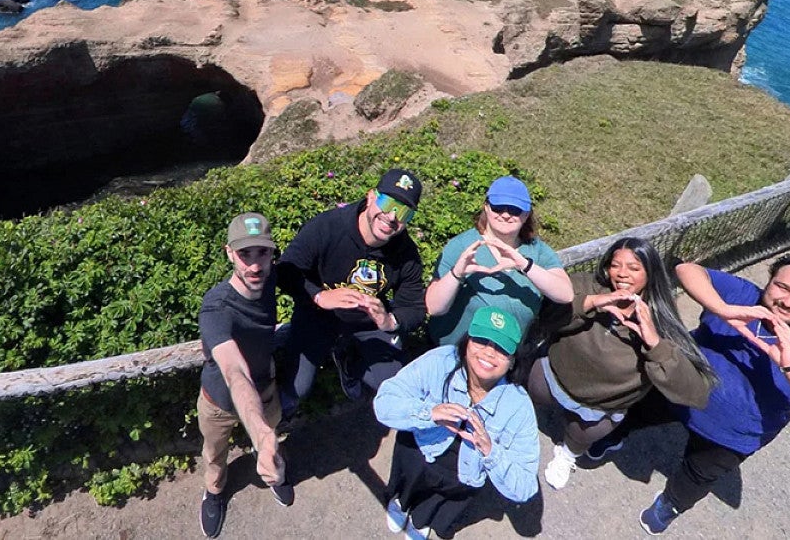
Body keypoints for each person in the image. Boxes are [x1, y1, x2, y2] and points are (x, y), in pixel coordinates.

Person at [598, 252, 790, 535]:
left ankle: (669, 505)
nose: (788, 301)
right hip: (679, 386)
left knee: (694, 479)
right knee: (636, 412)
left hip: (731, 436)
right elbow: (687, 270)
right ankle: (610, 437)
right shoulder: (745, 295)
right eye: (782, 287)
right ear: (769, 281)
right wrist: (724, 309)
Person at [526, 237, 719, 490]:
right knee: (529, 395)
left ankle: (568, 455)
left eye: (634, 268)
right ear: (606, 266)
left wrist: (654, 344)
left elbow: (697, 393)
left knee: (580, 435)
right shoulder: (585, 284)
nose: (622, 274)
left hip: (597, 406)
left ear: (651, 274)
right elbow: (544, 317)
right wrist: (590, 303)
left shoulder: (662, 323)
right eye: (616, 265)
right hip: (553, 375)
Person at [373, 306, 540, 540]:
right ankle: (401, 502)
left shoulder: (519, 406)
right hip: (419, 452)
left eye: (502, 348)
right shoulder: (440, 361)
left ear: (512, 362)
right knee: (406, 486)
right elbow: (384, 402)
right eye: (482, 340)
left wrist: (491, 451)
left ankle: (421, 519)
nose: (489, 353)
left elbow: (525, 487)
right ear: (467, 342)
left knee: (431, 510)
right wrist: (429, 413)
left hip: (462, 477)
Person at [277, 169, 427, 415]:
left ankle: (349, 360)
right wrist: (319, 296)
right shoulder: (327, 227)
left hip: (366, 324)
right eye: (387, 203)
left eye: (403, 212)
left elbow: (414, 308)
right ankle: (272, 423)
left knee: (393, 384)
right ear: (370, 197)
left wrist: (389, 320)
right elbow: (285, 271)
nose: (391, 217)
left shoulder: (406, 254)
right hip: (317, 316)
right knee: (296, 388)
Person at [196, 213, 294, 538]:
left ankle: (268, 460)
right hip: (219, 402)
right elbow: (234, 371)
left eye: (262, 253)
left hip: (266, 390)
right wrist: (261, 433)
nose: (254, 266)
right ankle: (214, 491)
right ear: (228, 253)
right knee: (214, 454)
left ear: (272, 253)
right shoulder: (215, 308)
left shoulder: (268, 281)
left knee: (272, 436)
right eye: (244, 254)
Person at [425, 175, 573, 347]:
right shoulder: (462, 246)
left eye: (514, 210)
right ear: (486, 207)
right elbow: (434, 307)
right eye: (498, 207)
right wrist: (457, 273)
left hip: (505, 356)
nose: (505, 215)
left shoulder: (538, 251)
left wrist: (524, 265)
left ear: (526, 215)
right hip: (455, 351)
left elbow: (565, 294)